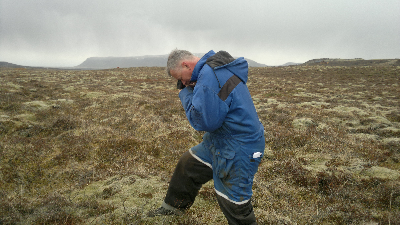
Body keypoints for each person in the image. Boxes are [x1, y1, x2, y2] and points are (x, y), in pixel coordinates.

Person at [147, 49, 265, 225]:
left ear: (185, 65)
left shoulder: (208, 77)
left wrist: (185, 93)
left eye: (179, 78)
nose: (182, 82)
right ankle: (172, 210)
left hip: (239, 146)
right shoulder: (211, 70)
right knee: (188, 165)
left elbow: (204, 122)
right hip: (220, 140)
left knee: (233, 201)